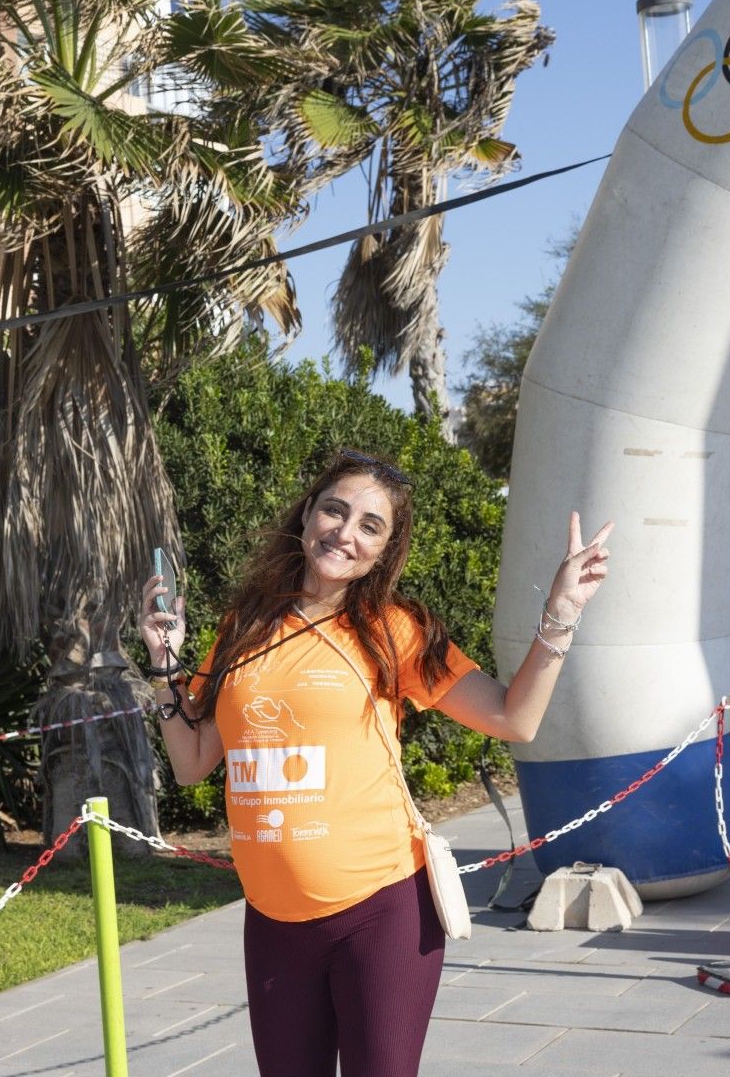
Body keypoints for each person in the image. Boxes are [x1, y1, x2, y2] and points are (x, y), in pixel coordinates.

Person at [138, 449, 614, 1077]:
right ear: (308, 513)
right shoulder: (244, 625)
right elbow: (193, 761)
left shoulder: (394, 629)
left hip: (381, 909)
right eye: (335, 510)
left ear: (385, 550)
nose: (345, 532)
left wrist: (562, 614)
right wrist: (165, 666)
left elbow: (513, 718)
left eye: (370, 526)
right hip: (273, 918)